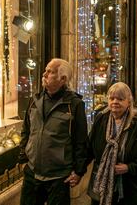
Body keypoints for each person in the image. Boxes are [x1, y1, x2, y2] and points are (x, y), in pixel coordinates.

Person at [19, 58, 88, 205]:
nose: (44, 74)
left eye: (50, 72)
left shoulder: (74, 105)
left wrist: (79, 171)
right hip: (32, 173)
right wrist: (22, 158)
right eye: (46, 70)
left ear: (62, 79)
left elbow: (81, 141)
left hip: (59, 177)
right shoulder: (35, 100)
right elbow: (26, 130)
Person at [87, 82, 137, 205]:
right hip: (101, 187)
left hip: (130, 189)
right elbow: (89, 149)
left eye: (120, 99)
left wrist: (129, 167)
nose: (115, 102)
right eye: (112, 98)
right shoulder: (101, 119)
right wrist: (77, 171)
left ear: (129, 102)